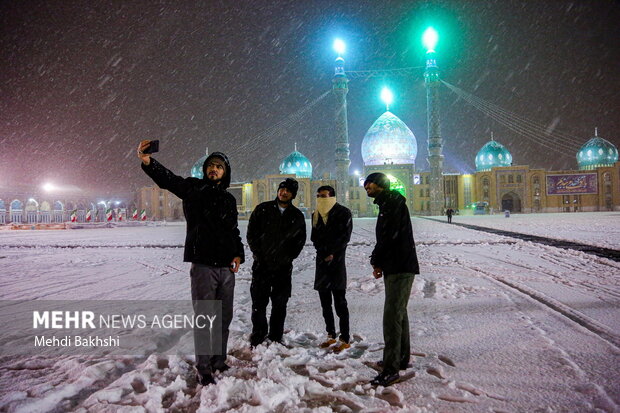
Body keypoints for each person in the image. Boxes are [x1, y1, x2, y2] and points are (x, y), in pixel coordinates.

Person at [137, 140, 244, 386]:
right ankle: (204, 367)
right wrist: (148, 163)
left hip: (227, 267)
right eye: (211, 166)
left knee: (223, 319)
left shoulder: (228, 199)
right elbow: (169, 180)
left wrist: (238, 254)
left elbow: (233, 230)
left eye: (219, 166)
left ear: (225, 172)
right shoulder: (194, 189)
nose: (214, 169)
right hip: (204, 265)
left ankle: (219, 360)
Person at [363, 172, 419, 387]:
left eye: (370, 184)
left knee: (392, 316)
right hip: (397, 265)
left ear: (381, 185)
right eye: (365, 185)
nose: (367, 187)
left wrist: (376, 260)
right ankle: (400, 359)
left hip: (399, 265)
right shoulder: (390, 203)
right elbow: (388, 237)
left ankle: (391, 369)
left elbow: (389, 236)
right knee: (399, 313)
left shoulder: (392, 204)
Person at [247, 178, 306, 347]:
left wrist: (287, 258)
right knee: (259, 303)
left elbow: (299, 241)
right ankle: (258, 333)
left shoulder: (296, 216)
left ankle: (275, 335)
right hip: (262, 266)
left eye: (288, 190)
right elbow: (252, 234)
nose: (283, 192)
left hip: (283, 268)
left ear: (293, 194)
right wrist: (259, 255)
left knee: (280, 304)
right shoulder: (263, 209)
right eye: (282, 189)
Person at [310, 185, 352, 353]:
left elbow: (344, 237)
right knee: (325, 303)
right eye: (318, 196)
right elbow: (314, 237)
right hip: (322, 263)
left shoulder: (343, 213)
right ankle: (331, 335)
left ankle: (345, 338)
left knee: (340, 302)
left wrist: (332, 253)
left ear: (332, 197)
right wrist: (323, 252)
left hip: (337, 263)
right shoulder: (316, 215)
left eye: (324, 196)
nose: (321, 199)